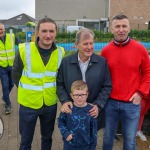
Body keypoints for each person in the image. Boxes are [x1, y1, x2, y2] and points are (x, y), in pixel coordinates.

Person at [12, 18, 65, 150]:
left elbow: (60, 77)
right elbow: (16, 74)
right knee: (25, 140)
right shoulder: (24, 50)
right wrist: (26, 90)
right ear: (37, 32)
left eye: (51, 31)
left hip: (50, 103)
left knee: (47, 138)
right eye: (44, 31)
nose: (48, 35)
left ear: (56, 33)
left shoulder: (60, 52)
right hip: (28, 104)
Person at [101, 14, 150, 150]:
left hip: (132, 104)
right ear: (112, 29)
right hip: (110, 103)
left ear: (129, 28)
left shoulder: (140, 49)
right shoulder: (106, 51)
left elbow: (148, 72)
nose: (121, 29)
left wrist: (140, 93)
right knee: (107, 138)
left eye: (124, 26)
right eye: (117, 26)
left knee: (129, 141)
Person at [56, 28, 112, 130]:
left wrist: (98, 105)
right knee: (72, 141)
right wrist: (65, 101)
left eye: (91, 43)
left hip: (92, 112)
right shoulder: (66, 62)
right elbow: (60, 84)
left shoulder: (102, 62)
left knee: (91, 142)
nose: (89, 47)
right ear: (76, 44)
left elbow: (107, 86)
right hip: (73, 112)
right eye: (85, 44)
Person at [58, 80, 97, 150]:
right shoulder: (67, 108)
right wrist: (65, 133)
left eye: (82, 95)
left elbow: (94, 132)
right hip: (69, 146)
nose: (79, 98)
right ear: (71, 95)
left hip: (85, 146)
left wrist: (92, 147)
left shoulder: (91, 110)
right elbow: (60, 122)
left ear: (87, 94)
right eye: (76, 95)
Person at [0, 23, 21, 114]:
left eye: (1, 29)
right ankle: (8, 105)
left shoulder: (12, 37)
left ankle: (5, 96)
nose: (0, 31)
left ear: (4, 29)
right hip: (2, 67)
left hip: (12, 66)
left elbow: (21, 45)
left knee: (12, 84)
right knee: (5, 85)